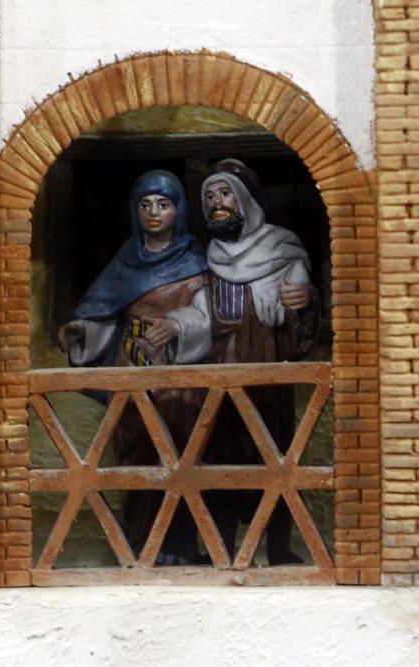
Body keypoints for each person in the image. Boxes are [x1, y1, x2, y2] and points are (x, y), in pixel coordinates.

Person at [57, 169, 211, 565]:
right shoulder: (125, 260)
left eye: (163, 205)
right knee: (136, 451)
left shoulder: (196, 258)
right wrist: (82, 329)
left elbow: (208, 315)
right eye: (145, 205)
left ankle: (180, 545)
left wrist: (178, 325)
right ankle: (142, 545)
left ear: (179, 210)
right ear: (134, 211)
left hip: (179, 368)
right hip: (133, 364)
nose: (154, 213)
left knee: (181, 450)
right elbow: (103, 313)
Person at [200, 159, 319, 565]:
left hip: (269, 373)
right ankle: (225, 552)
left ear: (245, 200)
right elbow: (201, 316)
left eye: (225, 194)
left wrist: (304, 304)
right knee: (223, 464)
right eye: (210, 197)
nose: (218, 204)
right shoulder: (210, 260)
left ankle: (278, 547)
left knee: (275, 455)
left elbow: (302, 316)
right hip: (223, 379)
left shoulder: (283, 250)